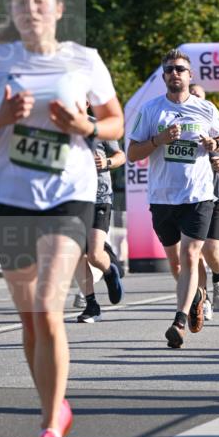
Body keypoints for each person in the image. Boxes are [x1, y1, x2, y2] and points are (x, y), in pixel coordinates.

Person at [0, 0, 123, 437]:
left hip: (69, 195)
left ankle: (51, 432)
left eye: (39, 1)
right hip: (10, 197)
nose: (30, 9)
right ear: (12, 14)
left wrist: (86, 126)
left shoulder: (83, 61)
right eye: (22, 3)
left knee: (49, 309)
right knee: (30, 321)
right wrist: (0, 120)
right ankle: (57, 407)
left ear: (57, 10)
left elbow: (116, 121)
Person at [127, 50, 219, 348]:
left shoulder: (206, 109)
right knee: (176, 265)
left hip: (198, 195)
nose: (175, 73)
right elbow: (133, 154)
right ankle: (197, 296)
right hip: (162, 197)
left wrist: (215, 143)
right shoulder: (150, 110)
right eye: (170, 69)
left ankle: (179, 321)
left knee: (190, 256)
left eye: (180, 69)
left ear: (189, 75)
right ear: (164, 77)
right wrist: (159, 140)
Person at [190, 83, 219, 320]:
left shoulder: (213, 119)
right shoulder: (181, 123)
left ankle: (218, 278)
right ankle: (203, 298)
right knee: (194, 252)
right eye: (192, 96)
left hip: (217, 195)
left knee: (211, 249)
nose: (195, 100)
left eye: (199, 96)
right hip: (191, 197)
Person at [73, 118, 125, 322]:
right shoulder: (55, 125)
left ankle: (109, 270)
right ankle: (91, 305)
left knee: (94, 254)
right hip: (70, 199)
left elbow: (121, 155)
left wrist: (107, 162)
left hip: (99, 197)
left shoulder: (100, 125)